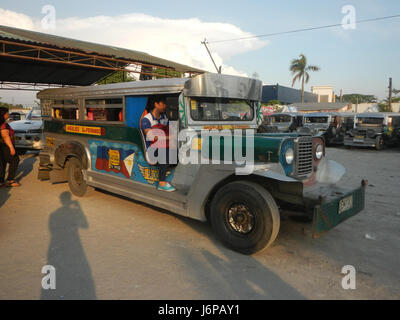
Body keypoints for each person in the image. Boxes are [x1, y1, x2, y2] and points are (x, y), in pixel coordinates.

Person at [141, 97, 176, 192]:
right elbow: (151, 136)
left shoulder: (165, 117)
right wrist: (170, 138)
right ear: (156, 104)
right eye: (163, 103)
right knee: (164, 152)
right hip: (152, 149)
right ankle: (162, 183)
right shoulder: (146, 119)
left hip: (165, 145)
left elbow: (172, 131)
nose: (165, 106)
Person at [0, 107, 21, 187]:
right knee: (15, 160)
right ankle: (10, 180)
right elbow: (5, 137)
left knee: (2, 163)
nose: (8, 114)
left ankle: (1, 181)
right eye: (7, 113)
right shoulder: (3, 125)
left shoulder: (3, 123)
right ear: (3, 115)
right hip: (5, 146)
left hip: (1, 146)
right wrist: (11, 148)